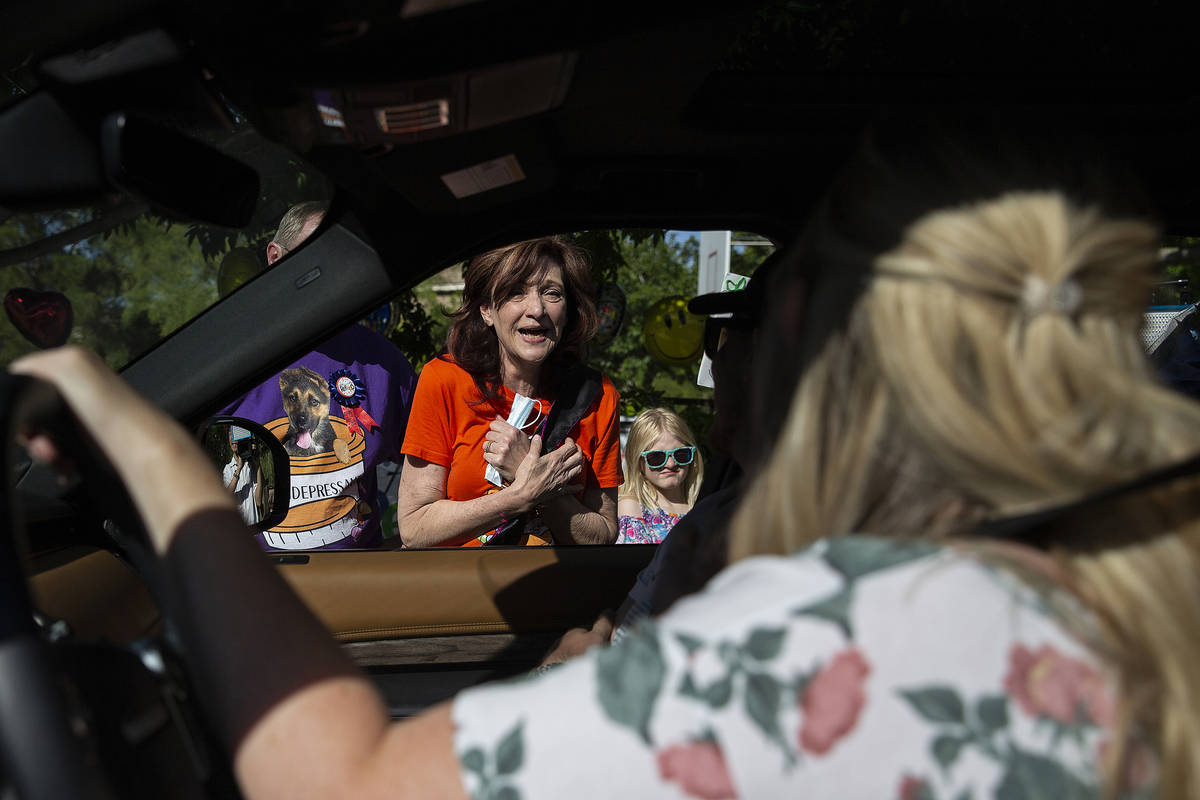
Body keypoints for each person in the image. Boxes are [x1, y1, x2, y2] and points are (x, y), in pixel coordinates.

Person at [17, 118, 1200, 798]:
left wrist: (143, 441)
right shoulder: (1144, 583)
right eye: (520, 289)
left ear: (794, 327)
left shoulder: (837, 635)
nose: (539, 308)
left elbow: (346, 784)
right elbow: (430, 530)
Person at [397, 236, 622, 547]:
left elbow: (603, 534)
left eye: (552, 293)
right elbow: (414, 527)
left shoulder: (598, 396)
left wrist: (532, 476)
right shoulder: (443, 380)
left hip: (558, 578)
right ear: (487, 311)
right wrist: (520, 496)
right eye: (516, 292)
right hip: (467, 578)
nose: (537, 309)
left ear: (569, 310)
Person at [220, 202, 418, 550]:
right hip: (250, 578)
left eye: (343, 258)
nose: (330, 270)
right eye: (316, 254)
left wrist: (402, 552)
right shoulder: (224, 358)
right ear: (275, 257)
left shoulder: (383, 364)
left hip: (357, 578)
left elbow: (436, 468)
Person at [616, 408, 703, 544]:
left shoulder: (704, 506)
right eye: (656, 457)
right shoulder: (632, 508)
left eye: (681, 454)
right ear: (637, 461)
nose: (671, 463)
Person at [223, 427, 264, 525]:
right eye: (230, 433)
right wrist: (239, 468)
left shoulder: (251, 466)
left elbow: (258, 501)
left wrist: (258, 466)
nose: (233, 438)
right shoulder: (228, 469)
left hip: (253, 526)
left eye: (236, 433)